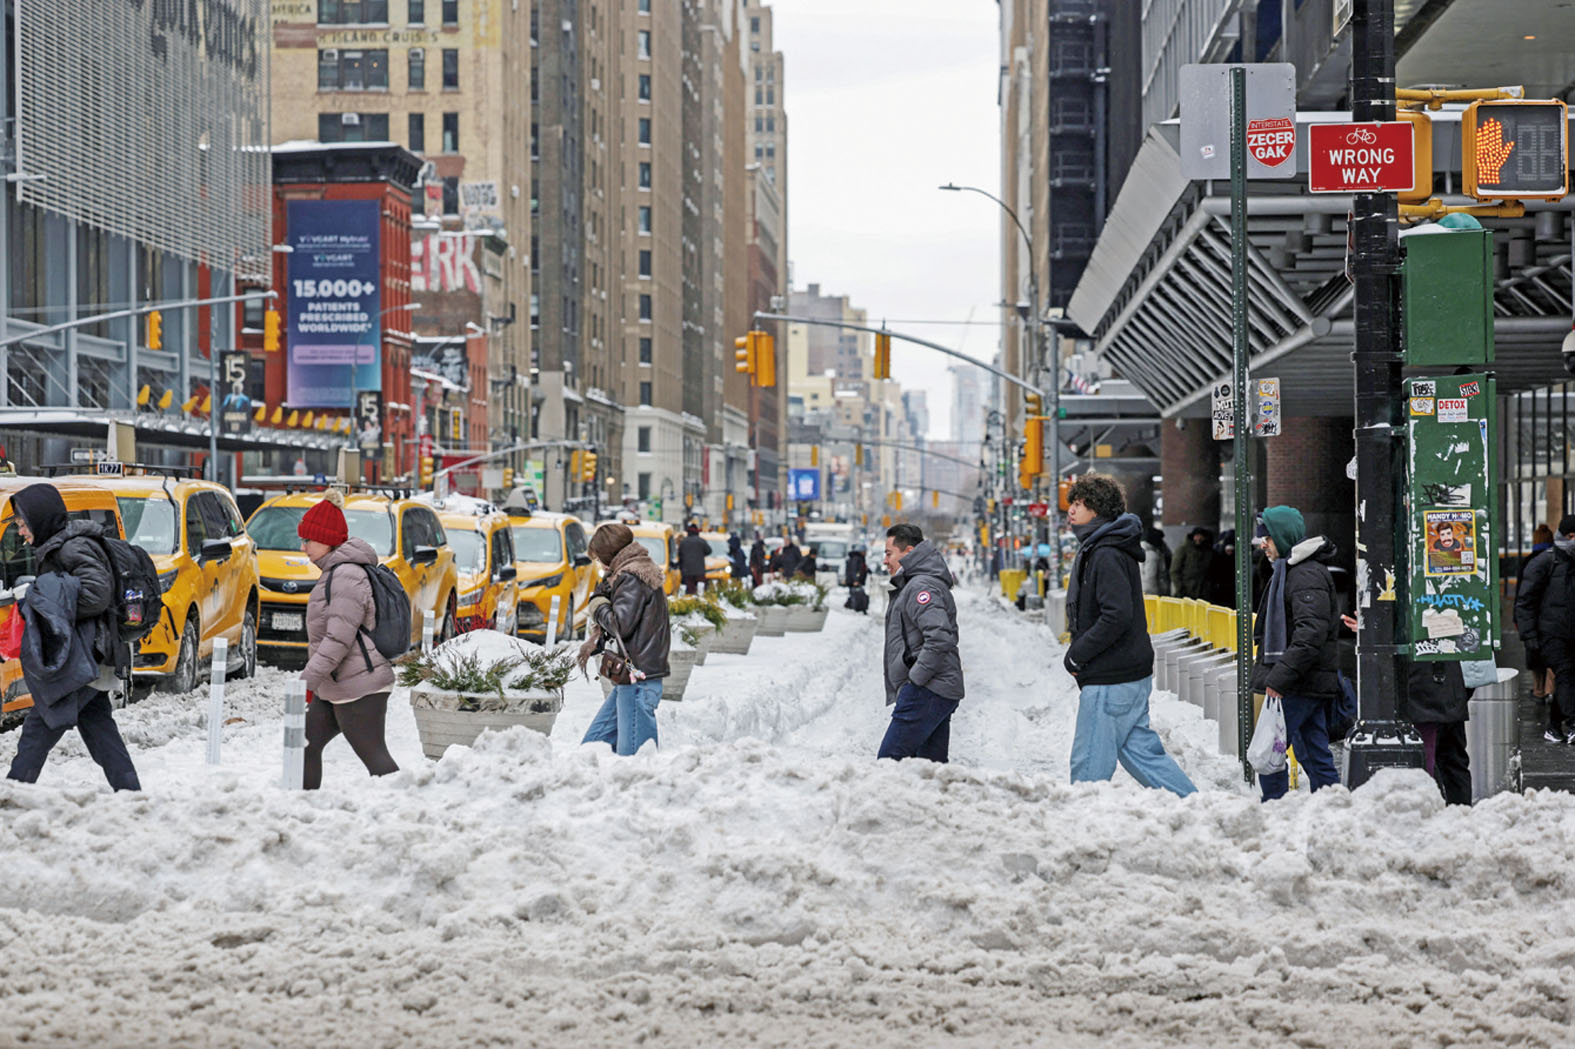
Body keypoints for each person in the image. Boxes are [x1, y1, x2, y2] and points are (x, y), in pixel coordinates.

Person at [1062, 474, 1195, 797]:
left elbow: (1116, 615)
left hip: (1111, 677)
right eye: (1071, 504)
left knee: (1088, 768)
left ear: (1098, 509)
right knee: (1143, 756)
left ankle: (1082, 819)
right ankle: (1198, 808)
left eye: (1079, 504)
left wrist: (1078, 654)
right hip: (1127, 673)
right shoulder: (1109, 547)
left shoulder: (1105, 553)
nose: (1071, 510)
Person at [5, 484, 140, 791]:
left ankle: (12, 795)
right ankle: (130, 793)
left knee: (39, 726)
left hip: (85, 656)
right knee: (99, 729)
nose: (21, 531)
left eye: (23, 524)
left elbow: (97, 594)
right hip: (90, 655)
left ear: (40, 519)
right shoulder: (60, 546)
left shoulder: (70, 548)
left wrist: (46, 603)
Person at [298, 489, 398, 790]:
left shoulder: (346, 576)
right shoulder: (334, 573)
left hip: (360, 686)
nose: (303, 547)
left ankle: (404, 805)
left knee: (375, 758)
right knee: (304, 743)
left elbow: (338, 639)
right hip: (337, 684)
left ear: (327, 539)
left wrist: (307, 680)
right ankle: (301, 804)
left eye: (308, 540)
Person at [1250, 505, 1341, 801]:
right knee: (1313, 751)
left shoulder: (1304, 575)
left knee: (1269, 750)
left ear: (1282, 537)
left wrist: (1279, 678)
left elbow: (1310, 633)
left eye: (1267, 538)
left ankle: (1274, 807)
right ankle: (1331, 806)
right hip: (1304, 679)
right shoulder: (1292, 571)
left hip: (1298, 681)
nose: (1262, 544)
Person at [578, 523, 670, 755]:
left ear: (608, 554)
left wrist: (598, 606)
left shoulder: (630, 577)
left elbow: (621, 625)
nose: (599, 564)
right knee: (592, 749)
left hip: (637, 679)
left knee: (633, 759)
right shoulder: (634, 571)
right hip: (632, 678)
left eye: (599, 558)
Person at [878, 524, 964, 762]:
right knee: (927, 769)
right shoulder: (917, 584)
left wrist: (915, 679)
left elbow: (939, 637)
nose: (885, 561)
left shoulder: (921, 587)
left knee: (888, 764)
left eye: (889, 553)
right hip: (935, 688)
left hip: (928, 689)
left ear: (909, 552)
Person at [1513, 514, 1575, 743]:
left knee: (1568, 678)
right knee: (1565, 672)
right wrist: (1529, 635)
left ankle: (1554, 726)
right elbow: (1525, 601)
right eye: (1572, 536)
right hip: (1551, 634)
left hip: (1570, 633)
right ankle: (1573, 722)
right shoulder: (1545, 562)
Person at [1524, 524, 1555, 703]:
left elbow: (1523, 596)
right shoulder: (1558, 561)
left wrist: (1520, 621)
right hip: (1552, 617)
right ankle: (1550, 691)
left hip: (1534, 618)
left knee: (1534, 657)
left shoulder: (1530, 561)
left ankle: (1538, 690)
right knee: (1553, 658)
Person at [1169, 526, 1214, 599]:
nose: (1199, 539)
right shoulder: (1183, 549)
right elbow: (1174, 571)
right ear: (1193, 536)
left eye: (1201, 536)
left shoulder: (1208, 551)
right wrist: (1180, 589)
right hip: (1187, 592)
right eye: (1197, 536)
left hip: (1203, 593)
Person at [677, 522, 709, 595]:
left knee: (690, 591)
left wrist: (681, 568)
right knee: (700, 589)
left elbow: (680, 556)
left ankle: (691, 599)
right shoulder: (701, 541)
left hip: (687, 571)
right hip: (699, 571)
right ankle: (700, 598)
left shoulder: (683, 542)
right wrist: (701, 553)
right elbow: (709, 551)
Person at [1139, 526, 1171, 596]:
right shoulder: (1152, 555)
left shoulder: (1142, 552)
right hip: (1151, 592)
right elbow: (1150, 577)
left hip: (1143, 589)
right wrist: (1158, 592)